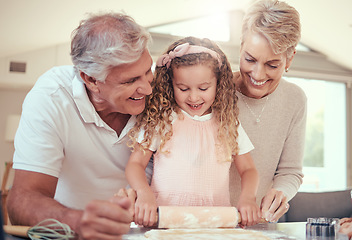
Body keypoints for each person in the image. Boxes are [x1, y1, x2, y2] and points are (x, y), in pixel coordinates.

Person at [7, 12, 154, 239]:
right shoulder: (52, 97)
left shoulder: (162, 91)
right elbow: (22, 200)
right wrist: (78, 222)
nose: (148, 89)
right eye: (130, 80)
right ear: (91, 80)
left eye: (147, 71)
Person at [125, 36, 261, 227]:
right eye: (183, 88)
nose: (194, 96)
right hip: (165, 220)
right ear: (171, 85)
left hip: (214, 222)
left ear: (218, 84)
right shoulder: (161, 119)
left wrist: (248, 198)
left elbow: (248, 169)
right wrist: (143, 193)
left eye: (203, 88)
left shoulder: (228, 123)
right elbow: (135, 164)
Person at [229, 0, 307, 223]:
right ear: (241, 45)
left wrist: (281, 192)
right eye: (250, 59)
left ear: (289, 59)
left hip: (259, 226)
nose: (258, 74)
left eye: (272, 65)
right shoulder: (212, 90)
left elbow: (291, 171)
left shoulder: (295, 99)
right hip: (208, 223)